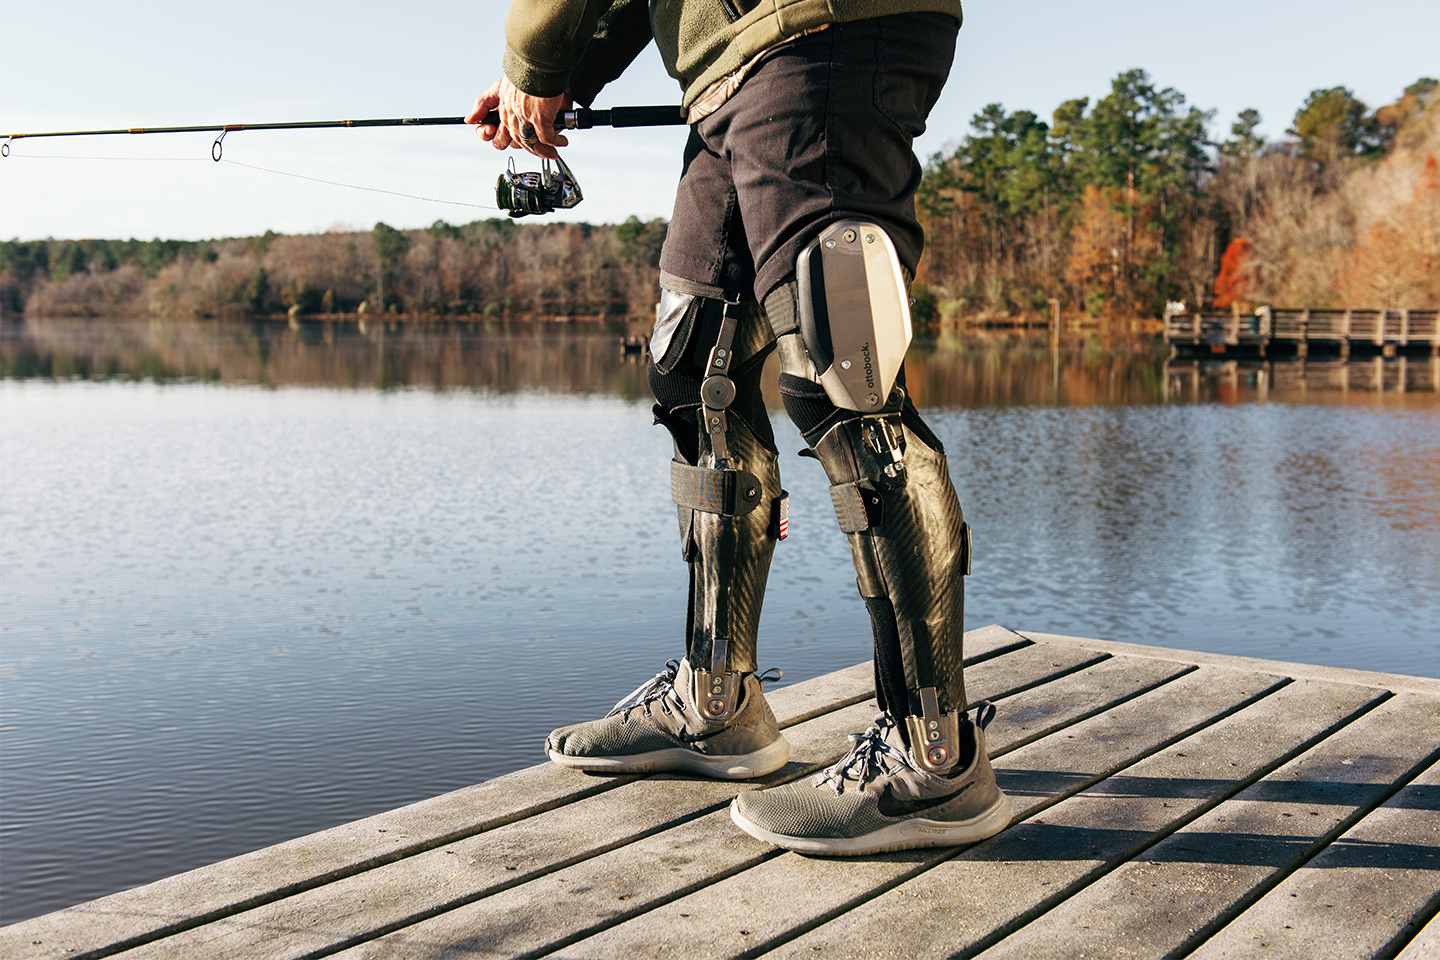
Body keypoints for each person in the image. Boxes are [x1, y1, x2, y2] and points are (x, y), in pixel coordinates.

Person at [467, 0, 1013, 855]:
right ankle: (716, 706)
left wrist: (530, 65)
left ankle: (933, 757)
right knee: (694, 372)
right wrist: (564, 75)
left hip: (820, 34)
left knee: (846, 377)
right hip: (732, 66)